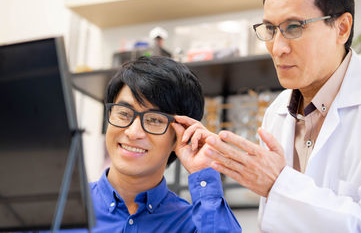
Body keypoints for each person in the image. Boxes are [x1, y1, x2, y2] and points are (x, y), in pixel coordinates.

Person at [177, 0, 361, 232]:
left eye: (294, 27)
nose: (278, 48)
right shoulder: (277, 112)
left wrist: (278, 184)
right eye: (270, 29)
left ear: (342, 27)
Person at [55, 56, 241, 232]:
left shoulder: (192, 224)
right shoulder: (58, 210)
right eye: (124, 113)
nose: (133, 132)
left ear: (180, 136)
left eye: (154, 120)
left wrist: (203, 171)